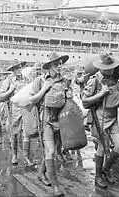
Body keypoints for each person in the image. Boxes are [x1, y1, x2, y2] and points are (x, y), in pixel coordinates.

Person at [82, 52, 119, 189]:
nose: (112, 70)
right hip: (101, 116)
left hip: (114, 117)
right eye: (109, 68)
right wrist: (101, 93)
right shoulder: (94, 80)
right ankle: (98, 177)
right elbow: (85, 102)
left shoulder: (117, 78)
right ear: (102, 67)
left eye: (113, 67)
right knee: (102, 147)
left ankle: (106, 169)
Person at [29, 52, 70, 197]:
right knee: (51, 151)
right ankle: (56, 186)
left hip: (60, 120)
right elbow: (32, 100)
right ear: (50, 66)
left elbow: (69, 100)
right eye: (56, 64)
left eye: (60, 64)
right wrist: (45, 88)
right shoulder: (40, 81)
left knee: (51, 151)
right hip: (46, 120)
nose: (59, 66)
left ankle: (41, 173)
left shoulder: (65, 80)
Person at [0, 59, 26, 164]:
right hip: (14, 111)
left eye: (19, 67)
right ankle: (14, 155)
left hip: (26, 109)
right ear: (12, 70)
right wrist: (10, 90)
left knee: (25, 134)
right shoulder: (8, 81)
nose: (19, 70)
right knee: (14, 133)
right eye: (16, 68)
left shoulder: (26, 79)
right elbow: (0, 97)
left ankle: (26, 156)